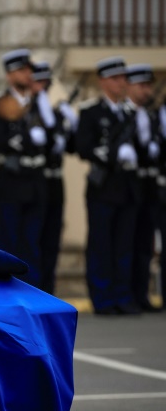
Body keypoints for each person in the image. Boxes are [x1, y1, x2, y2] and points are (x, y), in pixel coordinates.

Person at [76, 57, 140, 315]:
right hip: (103, 188)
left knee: (124, 246)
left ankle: (122, 296)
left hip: (128, 188)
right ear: (103, 81)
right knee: (101, 245)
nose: (121, 83)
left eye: (123, 78)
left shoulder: (131, 113)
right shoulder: (91, 112)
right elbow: (82, 147)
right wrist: (112, 154)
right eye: (115, 79)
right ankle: (102, 298)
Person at [0, 49, 51, 287]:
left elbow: (55, 140)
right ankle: (7, 289)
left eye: (29, 70)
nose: (27, 75)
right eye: (22, 70)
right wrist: (24, 139)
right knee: (9, 240)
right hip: (12, 181)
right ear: (9, 75)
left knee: (33, 242)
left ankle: (32, 290)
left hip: (36, 181)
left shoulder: (39, 104)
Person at [30, 61, 68, 295]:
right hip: (35, 181)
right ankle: (35, 288)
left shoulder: (50, 111)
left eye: (46, 83)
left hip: (54, 182)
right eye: (38, 82)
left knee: (51, 239)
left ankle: (48, 287)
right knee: (34, 238)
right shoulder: (25, 111)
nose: (42, 88)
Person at [126, 64, 161, 312]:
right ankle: (126, 295)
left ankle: (141, 294)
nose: (146, 90)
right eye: (141, 85)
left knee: (144, 245)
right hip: (129, 186)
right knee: (127, 243)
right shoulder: (124, 114)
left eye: (148, 85)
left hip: (150, 185)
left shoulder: (150, 115)